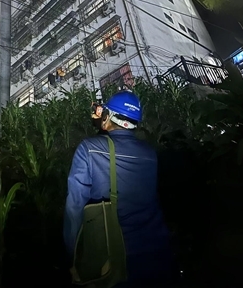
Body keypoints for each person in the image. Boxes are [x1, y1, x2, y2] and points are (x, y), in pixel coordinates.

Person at [64, 91, 176, 287]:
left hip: (115, 259)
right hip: (158, 252)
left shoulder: (89, 149)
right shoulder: (150, 153)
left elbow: (74, 209)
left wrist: (74, 254)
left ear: (109, 116)